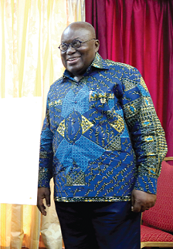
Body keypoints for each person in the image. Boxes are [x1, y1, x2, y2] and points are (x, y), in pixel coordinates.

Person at [37, 21, 167, 249]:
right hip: (68, 197)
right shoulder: (56, 88)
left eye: (77, 43)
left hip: (116, 197)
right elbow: (48, 138)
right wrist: (41, 182)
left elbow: (148, 131)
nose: (69, 51)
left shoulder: (123, 75)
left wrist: (146, 184)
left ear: (95, 45)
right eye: (64, 46)